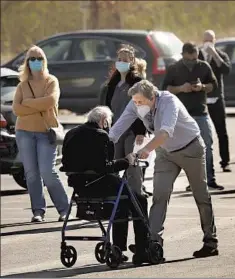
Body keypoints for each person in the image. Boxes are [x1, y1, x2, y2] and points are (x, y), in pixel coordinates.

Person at [109, 80, 219, 259]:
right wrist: (103, 142)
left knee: (201, 195)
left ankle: (210, 241)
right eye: (135, 102)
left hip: (190, 148)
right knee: (160, 195)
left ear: (152, 97)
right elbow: (119, 127)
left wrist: (146, 149)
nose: (137, 105)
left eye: (140, 102)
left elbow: (165, 132)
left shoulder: (169, 101)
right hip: (165, 153)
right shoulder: (135, 102)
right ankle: (152, 243)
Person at [60, 106, 150, 264]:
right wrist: (126, 161)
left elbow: (66, 163)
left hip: (79, 186)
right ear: (104, 121)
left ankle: (118, 247)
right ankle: (143, 248)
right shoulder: (102, 136)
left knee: (121, 205)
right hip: (100, 184)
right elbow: (105, 167)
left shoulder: (71, 133)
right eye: (108, 121)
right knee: (139, 200)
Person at [12, 45, 70, 222]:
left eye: (39, 59)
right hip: (24, 133)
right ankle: (38, 211)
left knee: (47, 172)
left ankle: (64, 209)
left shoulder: (51, 81)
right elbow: (16, 109)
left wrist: (28, 103)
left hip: (46, 132)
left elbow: (50, 101)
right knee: (31, 174)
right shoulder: (22, 85)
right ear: (27, 62)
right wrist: (36, 105)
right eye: (32, 59)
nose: (36, 62)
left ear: (44, 61)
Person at [161, 42, 224, 191]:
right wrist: (181, 88)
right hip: (181, 115)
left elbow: (213, 85)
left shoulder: (203, 67)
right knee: (183, 149)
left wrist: (202, 87)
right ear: (183, 55)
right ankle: (193, 180)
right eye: (189, 59)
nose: (192, 62)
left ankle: (209, 179)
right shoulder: (174, 68)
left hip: (200, 112)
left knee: (206, 146)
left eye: (194, 59)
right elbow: (165, 89)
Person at [100, 45, 147, 196]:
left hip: (133, 132)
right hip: (116, 132)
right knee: (114, 165)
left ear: (132, 62)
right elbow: (106, 107)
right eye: (119, 59)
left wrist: (141, 132)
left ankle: (137, 197)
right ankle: (116, 199)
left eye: (125, 60)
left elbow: (143, 108)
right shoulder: (112, 84)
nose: (121, 63)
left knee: (133, 166)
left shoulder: (137, 82)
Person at [198, 30, 232, 172]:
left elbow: (226, 70)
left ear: (215, 40)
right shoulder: (198, 55)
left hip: (217, 98)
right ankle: (201, 164)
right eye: (206, 40)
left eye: (210, 40)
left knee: (221, 130)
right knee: (200, 133)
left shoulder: (221, 55)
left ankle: (225, 161)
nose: (208, 43)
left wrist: (215, 55)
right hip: (201, 99)